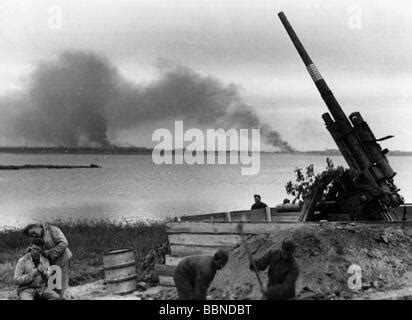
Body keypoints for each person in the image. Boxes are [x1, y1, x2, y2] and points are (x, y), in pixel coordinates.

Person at [23, 223, 72, 298]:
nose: (33, 236)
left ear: (37, 227)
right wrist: (31, 251)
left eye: (33, 233)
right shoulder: (38, 237)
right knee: (52, 290)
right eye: (31, 235)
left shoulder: (53, 230)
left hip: (63, 262)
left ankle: (65, 296)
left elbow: (63, 243)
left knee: (61, 289)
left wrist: (50, 253)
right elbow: (39, 249)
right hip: (50, 266)